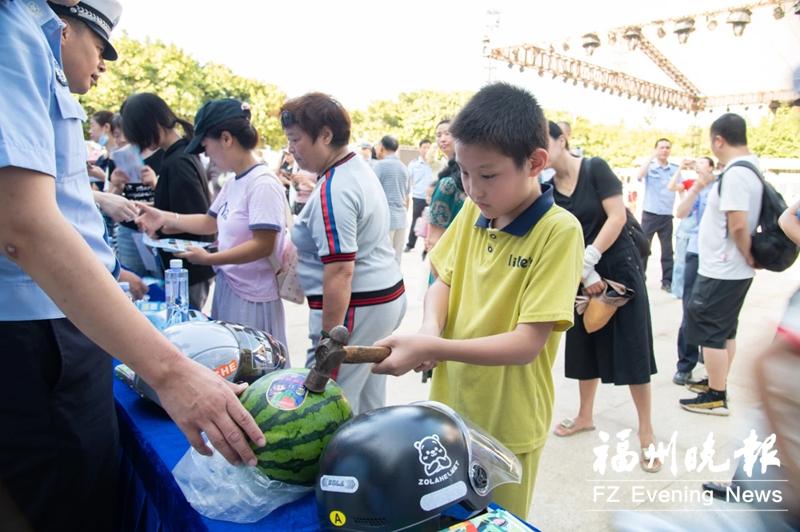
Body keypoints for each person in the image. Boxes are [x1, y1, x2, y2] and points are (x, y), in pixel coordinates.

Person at [0, 2, 264, 530]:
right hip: (39, 329)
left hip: (56, 318)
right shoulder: (14, 28)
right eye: (99, 48)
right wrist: (169, 371)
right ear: (69, 25)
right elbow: (24, 226)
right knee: (65, 503)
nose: (100, 65)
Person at [372, 83, 584, 518]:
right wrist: (430, 328)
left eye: (487, 175)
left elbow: (527, 344)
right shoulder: (476, 211)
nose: (473, 188)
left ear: (535, 163)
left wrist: (433, 347)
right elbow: (443, 278)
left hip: (509, 426)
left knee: (494, 523)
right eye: (465, 173)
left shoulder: (559, 232)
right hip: (451, 415)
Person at [280, 92, 406, 414]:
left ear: (325, 135)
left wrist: (329, 341)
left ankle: (335, 464)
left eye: (296, 140)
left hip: (356, 307)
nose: (291, 149)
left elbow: (340, 270)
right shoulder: (356, 168)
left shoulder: (334, 188)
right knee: (367, 399)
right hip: (382, 297)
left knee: (329, 402)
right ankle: (369, 459)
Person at [546, 121, 660, 473]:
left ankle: (646, 431)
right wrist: (585, 273)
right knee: (584, 345)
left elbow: (616, 216)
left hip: (618, 267)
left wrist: (590, 259)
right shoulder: (548, 189)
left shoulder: (596, 168)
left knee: (633, 349)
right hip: (582, 276)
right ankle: (584, 415)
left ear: (561, 140)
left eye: (541, 142)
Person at [136, 99, 288, 346]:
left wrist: (209, 259)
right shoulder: (235, 182)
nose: (206, 154)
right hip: (231, 287)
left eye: (206, 145)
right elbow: (209, 222)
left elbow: (263, 245)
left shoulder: (262, 184)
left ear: (226, 139)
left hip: (252, 297)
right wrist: (164, 217)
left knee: (251, 370)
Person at [680, 113, 763, 416]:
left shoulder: (737, 174)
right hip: (732, 268)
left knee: (711, 330)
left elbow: (738, 225)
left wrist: (748, 253)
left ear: (719, 140)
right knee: (726, 331)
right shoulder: (749, 169)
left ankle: (716, 395)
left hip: (723, 267)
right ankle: (717, 381)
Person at [121, 92, 216, 310]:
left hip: (188, 269)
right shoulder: (178, 155)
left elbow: (196, 219)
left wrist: (159, 226)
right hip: (184, 268)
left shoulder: (178, 162)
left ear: (153, 125)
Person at [671, 157, 716, 385]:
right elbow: (680, 212)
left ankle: (713, 369)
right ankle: (685, 364)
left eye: (703, 164)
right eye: (696, 164)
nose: (699, 167)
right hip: (696, 253)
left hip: (719, 260)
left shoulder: (723, 187)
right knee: (690, 308)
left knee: (714, 314)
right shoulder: (698, 188)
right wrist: (697, 187)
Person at [109, 112, 164, 276]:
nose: (120, 140)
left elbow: (169, 197)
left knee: (159, 280)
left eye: (122, 134)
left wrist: (155, 183)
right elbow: (111, 203)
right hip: (128, 228)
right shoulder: (118, 159)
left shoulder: (162, 155)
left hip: (156, 229)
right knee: (133, 280)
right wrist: (116, 185)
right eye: (116, 136)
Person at [636, 138, 681, 292]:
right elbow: (640, 175)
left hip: (666, 215)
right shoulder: (651, 167)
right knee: (643, 248)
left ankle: (667, 281)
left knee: (667, 250)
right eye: (661, 147)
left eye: (667, 147)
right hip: (650, 213)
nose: (664, 150)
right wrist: (651, 157)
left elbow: (679, 188)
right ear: (656, 149)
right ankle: (640, 278)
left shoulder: (674, 169)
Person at [426, 119, 466, 256]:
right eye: (438, 135)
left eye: (448, 133)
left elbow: (434, 238)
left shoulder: (447, 183)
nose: (442, 139)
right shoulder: (451, 172)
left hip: (445, 253)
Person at [373, 134, 410, 264]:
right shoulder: (404, 167)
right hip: (401, 218)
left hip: (385, 218)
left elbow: (372, 194)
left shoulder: (379, 166)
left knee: (383, 258)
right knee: (397, 257)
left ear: (382, 147)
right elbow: (407, 197)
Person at [405, 138, 433, 253]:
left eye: (428, 147)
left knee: (431, 222)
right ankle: (410, 244)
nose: (426, 150)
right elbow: (408, 180)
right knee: (416, 220)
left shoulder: (435, 163)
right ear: (419, 149)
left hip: (432, 197)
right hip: (418, 197)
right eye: (424, 147)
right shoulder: (414, 164)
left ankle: (428, 246)